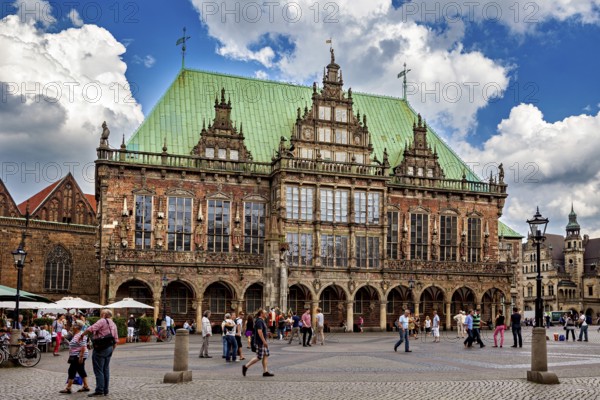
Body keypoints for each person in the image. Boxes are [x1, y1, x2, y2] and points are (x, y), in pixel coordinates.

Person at [85, 308, 118, 397]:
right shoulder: (113, 324)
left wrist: (81, 335)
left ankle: (99, 390)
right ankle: (105, 390)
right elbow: (115, 339)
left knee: (99, 369)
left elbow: (91, 329)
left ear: (104, 315)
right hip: (109, 348)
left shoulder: (102, 321)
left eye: (101, 314)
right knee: (106, 369)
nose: (100, 315)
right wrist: (111, 350)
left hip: (100, 348)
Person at [59, 320, 91, 394]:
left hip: (78, 355)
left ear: (77, 327)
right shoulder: (76, 334)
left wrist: (81, 356)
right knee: (80, 370)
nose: (72, 327)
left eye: (74, 325)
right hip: (77, 355)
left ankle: (68, 388)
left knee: (72, 370)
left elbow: (83, 346)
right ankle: (86, 386)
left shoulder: (81, 335)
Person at [242, 309, 274, 377]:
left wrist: (267, 333)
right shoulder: (259, 321)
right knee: (259, 357)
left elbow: (262, 331)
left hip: (262, 341)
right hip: (260, 342)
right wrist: (264, 341)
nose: (267, 314)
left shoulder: (262, 320)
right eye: (265, 313)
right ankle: (245, 366)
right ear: (261, 313)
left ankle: (265, 371)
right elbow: (259, 332)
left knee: (265, 355)